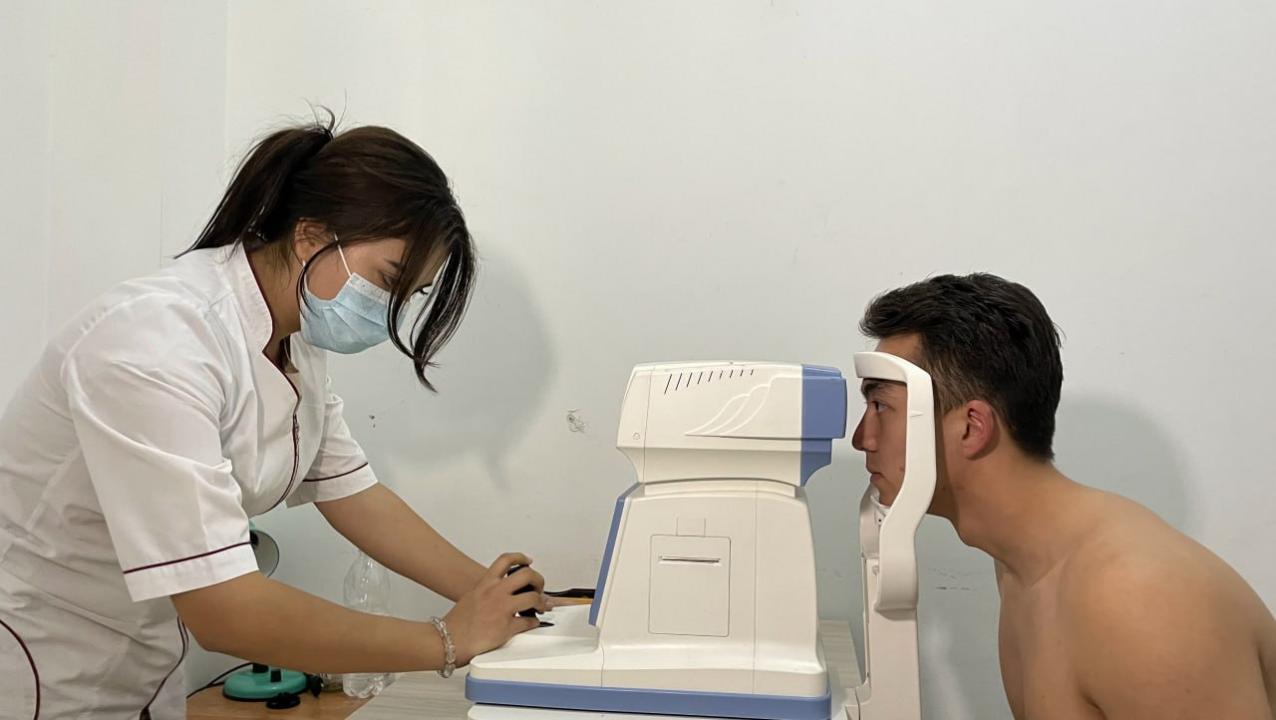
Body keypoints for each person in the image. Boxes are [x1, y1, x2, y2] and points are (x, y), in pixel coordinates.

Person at [0, 114, 547, 719]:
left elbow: (353, 494)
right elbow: (226, 612)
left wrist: (504, 602)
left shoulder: (291, 344)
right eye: (389, 280)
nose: (393, 308)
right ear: (310, 236)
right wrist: (446, 640)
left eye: (411, 292)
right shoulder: (156, 340)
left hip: (140, 657)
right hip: (41, 660)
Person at [852, 273, 1276, 719]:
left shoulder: (1138, 597)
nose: (862, 438)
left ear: (972, 428)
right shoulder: (1021, 565)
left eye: (881, 406)